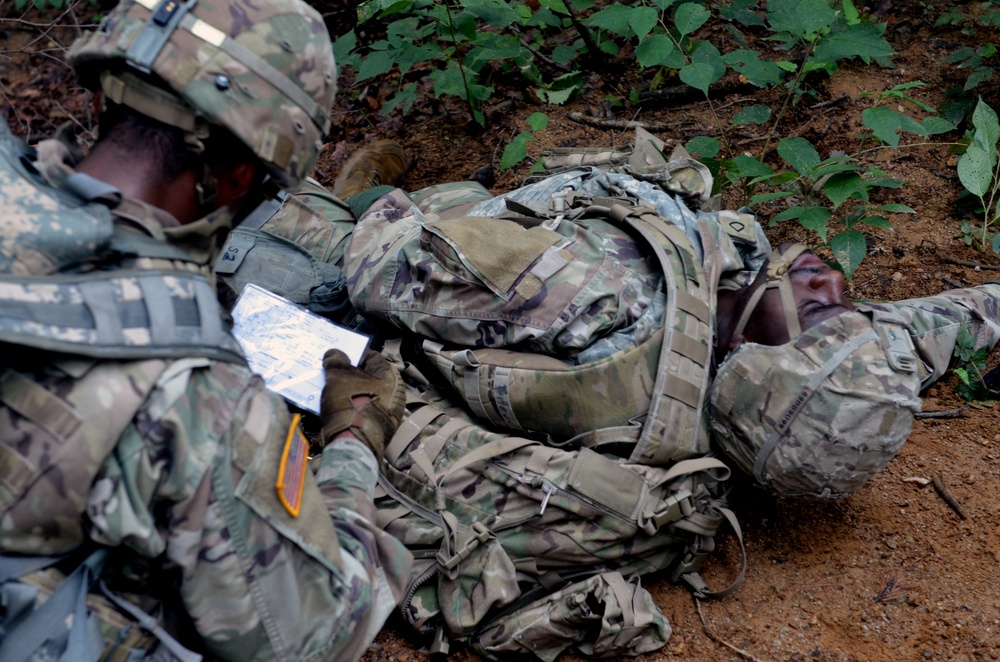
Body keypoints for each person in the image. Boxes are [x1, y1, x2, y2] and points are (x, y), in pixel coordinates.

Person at [0, 1, 411, 660]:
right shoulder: (200, 394)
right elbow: (317, 634)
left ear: (108, 101)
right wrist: (356, 439)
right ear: (240, 176)